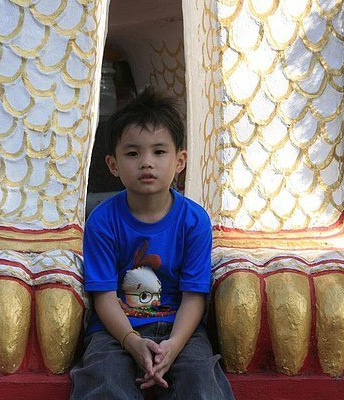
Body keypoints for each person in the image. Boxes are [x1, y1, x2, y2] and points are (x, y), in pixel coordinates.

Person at [70, 87, 234, 399]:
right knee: (105, 381)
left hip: (180, 328)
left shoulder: (194, 221)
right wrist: (131, 341)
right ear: (113, 164)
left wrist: (173, 345)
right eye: (133, 153)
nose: (147, 163)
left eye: (159, 152)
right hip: (115, 330)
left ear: (180, 160)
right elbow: (103, 296)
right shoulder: (103, 221)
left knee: (200, 383)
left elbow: (194, 296)